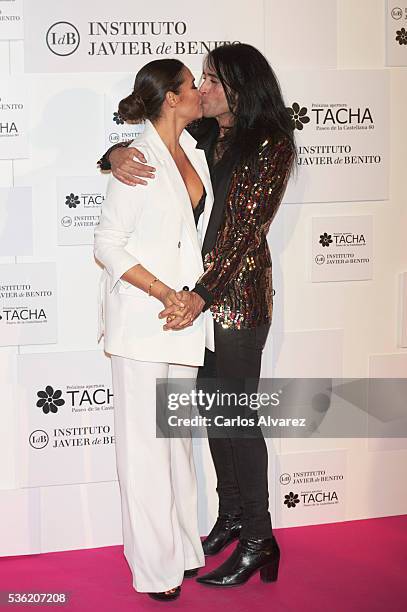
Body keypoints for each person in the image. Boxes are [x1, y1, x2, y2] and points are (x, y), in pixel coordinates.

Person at [98, 43, 296, 588]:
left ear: (239, 87)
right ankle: (230, 517)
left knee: (235, 419)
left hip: (232, 303)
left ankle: (259, 537)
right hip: (193, 308)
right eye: (199, 80)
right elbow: (154, 149)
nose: (203, 88)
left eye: (211, 79)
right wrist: (113, 155)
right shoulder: (205, 135)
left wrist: (198, 295)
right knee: (210, 422)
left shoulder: (271, 144)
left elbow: (242, 234)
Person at [94, 58, 215, 601]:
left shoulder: (193, 147)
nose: (201, 92)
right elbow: (107, 244)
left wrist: (187, 301)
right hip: (147, 320)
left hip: (184, 322)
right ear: (170, 97)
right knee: (144, 451)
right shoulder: (137, 160)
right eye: (194, 86)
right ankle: (154, 569)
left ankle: (184, 550)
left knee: (175, 447)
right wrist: (165, 292)